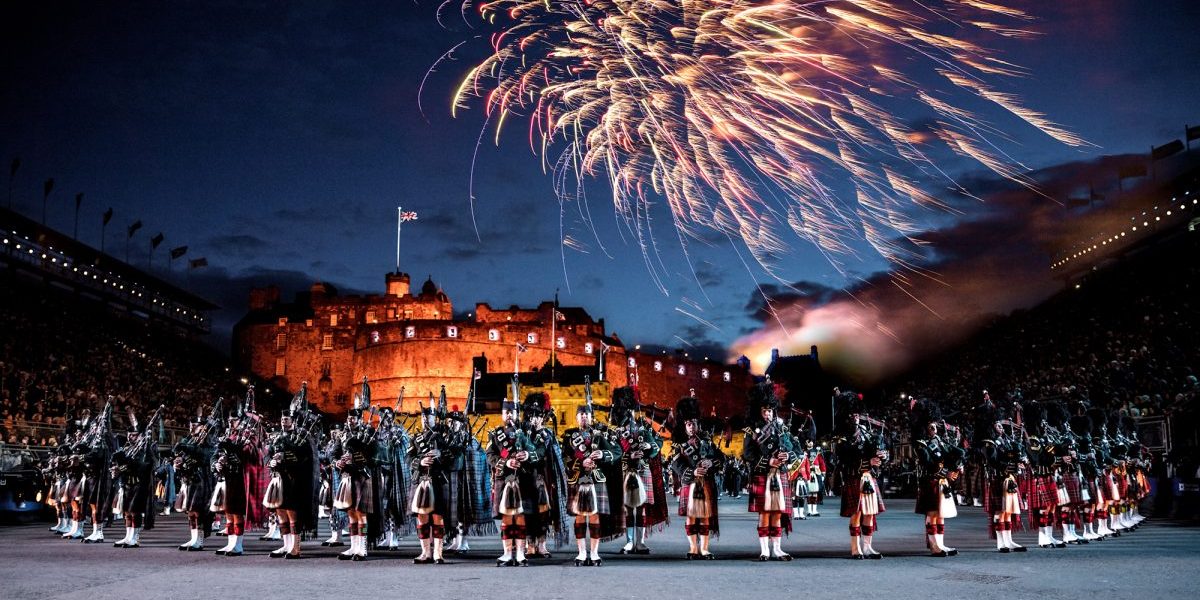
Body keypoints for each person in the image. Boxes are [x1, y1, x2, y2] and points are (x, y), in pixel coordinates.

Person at [562, 397, 622, 566]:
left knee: (595, 516)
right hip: (578, 479)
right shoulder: (569, 436)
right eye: (581, 414)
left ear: (591, 417)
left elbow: (617, 451)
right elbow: (564, 457)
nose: (584, 417)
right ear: (576, 418)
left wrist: (603, 455)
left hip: (596, 478)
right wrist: (581, 462)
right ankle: (581, 553)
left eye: (586, 414)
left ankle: (594, 553)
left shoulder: (600, 435)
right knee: (580, 517)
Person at [743, 381, 797, 561]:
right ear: (759, 411)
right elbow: (748, 454)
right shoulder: (751, 431)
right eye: (764, 410)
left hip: (779, 474)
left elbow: (792, 448)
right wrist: (769, 461)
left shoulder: (781, 428)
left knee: (777, 513)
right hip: (762, 474)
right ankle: (765, 550)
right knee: (765, 513)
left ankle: (777, 549)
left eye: (770, 410)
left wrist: (787, 456)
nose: (768, 414)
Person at [611, 386, 668, 555]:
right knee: (628, 507)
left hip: (643, 469)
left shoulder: (644, 427)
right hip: (627, 470)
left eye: (631, 409)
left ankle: (641, 542)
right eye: (626, 409)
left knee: (642, 507)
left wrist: (649, 445)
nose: (629, 412)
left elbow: (657, 446)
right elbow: (614, 452)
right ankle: (629, 542)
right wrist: (628, 454)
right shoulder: (618, 431)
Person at [263, 389, 318, 560]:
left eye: (286, 420)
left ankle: (296, 547)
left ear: (293, 421)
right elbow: (269, 454)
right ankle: (286, 545)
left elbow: (307, 458)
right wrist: (271, 461)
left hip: (295, 480)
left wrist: (287, 459)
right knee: (280, 512)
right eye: (281, 419)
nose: (283, 422)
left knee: (293, 514)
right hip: (279, 480)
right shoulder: (278, 437)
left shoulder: (302, 436)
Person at [487, 389, 540, 566]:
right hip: (505, 480)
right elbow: (490, 456)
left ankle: (520, 554)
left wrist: (526, 454)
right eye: (506, 412)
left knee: (521, 516)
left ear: (517, 414)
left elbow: (535, 452)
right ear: (502, 414)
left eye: (512, 412)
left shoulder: (525, 433)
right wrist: (506, 463)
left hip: (523, 480)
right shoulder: (495, 435)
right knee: (507, 517)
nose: (509, 415)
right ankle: (507, 553)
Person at [669, 395, 724, 560]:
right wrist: (691, 472)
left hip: (706, 483)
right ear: (685, 426)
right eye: (688, 424)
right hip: (690, 483)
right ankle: (693, 547)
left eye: (694, 423)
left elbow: (722, 459)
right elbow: (675, 464)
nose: (691, 427)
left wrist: (711, 462)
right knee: (691, 516)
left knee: (705, 516)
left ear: (698, 424)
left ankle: (705, 548)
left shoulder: (707, 441)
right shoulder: (679, 444)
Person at [522, 392, 572, 558]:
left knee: (544, 513)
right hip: (526, 477)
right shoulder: (522, 433)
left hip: (544, 478)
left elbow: (554, 456)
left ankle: (542, 544)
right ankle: (530, 544)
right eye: (532, 415)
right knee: (528, 512)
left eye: (538, 416)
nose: (535, 419)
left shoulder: (548, 435)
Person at [408, 390, 455, 565]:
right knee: (422, 516)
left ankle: (438, 553)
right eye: (423, 417)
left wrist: (440, 454)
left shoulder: (443, 437)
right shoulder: (415, 438)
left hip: (438, 480)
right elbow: (409, 459)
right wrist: (420, 462)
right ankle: (425, 552)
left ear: (435, 418)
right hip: (420, 480)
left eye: (429, 417)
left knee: (438, 516)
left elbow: (452, 458)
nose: (426, 420)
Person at [911, 399, 964, 557]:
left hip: (942, 482)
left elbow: (959, 452)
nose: (934, 427)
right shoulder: (921, 444)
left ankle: (941, 544)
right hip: (930, 481)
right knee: (932, 514)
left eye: (934, 424)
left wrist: (955, 467)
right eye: (931, 425)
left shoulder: (939, 441)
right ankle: (934, 546)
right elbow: (929, 463)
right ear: (925, 427)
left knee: (940, 515)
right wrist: (947, 470)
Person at [837, 410, 889, 559]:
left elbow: (874, 452)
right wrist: (868, 462)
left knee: (870, 514)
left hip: (869, 477)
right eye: (852, 415)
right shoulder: (843, 437)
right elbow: (844, 461)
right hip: (854, 477)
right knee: (856, 513)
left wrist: (882, 457)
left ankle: (867, 547)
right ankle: (855, 548)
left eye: (857, 415)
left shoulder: (866, 433)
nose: (856, 417)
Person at [173, 407, 218, 551]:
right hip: (189, 479)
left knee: (198, 511)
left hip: (202, 479)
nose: (192, 427)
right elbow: (183, 455)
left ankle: (199, 540)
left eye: (195, 425)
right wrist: (178, 462)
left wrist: (189, 449)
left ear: (203, 427)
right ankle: (193, 538)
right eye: (191, 425)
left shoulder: (209, 440)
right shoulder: (189, 439)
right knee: (190, 511)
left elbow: (207, 456)